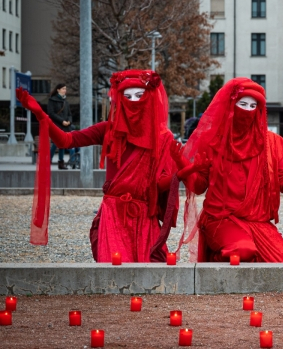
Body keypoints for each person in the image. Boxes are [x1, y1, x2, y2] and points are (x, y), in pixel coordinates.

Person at [17, 70, 179, 263]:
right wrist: (41, 115)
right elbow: (66, 140)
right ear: (118, 98)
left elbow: (158, 184)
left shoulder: (161, 138)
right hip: (113, 216)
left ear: (150, 98)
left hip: (143, 219)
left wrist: (181, 172)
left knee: (152, 278)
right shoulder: (108, 130)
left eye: (138, 96)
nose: (132, 101)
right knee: (113, 277)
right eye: (127, 96)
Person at [171, 77, 283, 263]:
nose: (247, 111)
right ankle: (217, 259)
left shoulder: (269, 143)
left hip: (258, 223)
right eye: (242, 104)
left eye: (252, 106)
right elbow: (199, 187)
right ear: (230, 105)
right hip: (221, 219)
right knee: (242, 250)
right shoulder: (213, 140)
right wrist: (184, 164)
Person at [47, 84, 73, 170]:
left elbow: (69, 114)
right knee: (56, 143)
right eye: (63, 89)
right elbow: (51, 113)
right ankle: (48, 161)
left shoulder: (66, 101)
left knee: (61, 144)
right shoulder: (52, 100)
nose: (65, 90)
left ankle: (61, 163)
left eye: (65, 88)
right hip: (56, 125)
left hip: (65, 126)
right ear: (58, 90)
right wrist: (62, 121)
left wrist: (69, 121)